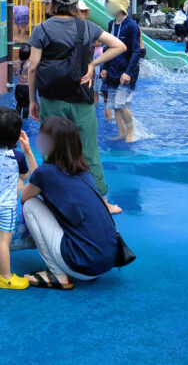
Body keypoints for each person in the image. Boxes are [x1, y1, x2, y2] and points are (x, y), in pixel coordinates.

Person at [26, 0, 126, 213]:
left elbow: (32, 68)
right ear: (74, 2)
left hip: (51, 99)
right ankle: (103, 202)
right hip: (81, 98)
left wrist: (33, 100)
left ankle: (52, 200)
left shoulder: (42, 29)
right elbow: (119, 46)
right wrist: (93, 64)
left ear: (52, 0)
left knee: (51, 150)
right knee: (89, 149)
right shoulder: (86, 26)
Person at [18, 116, 119, 290]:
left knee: (30, 206)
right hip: (105, 262)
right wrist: (28, 152)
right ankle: (69, 267)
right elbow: (40, 179)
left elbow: (25, 196)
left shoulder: (48, 173)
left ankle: (57, 274)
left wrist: (18, 178)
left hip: (82, 264)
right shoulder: (83, 172)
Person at [0, 108, 35, 290]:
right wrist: (27, 152)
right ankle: (5, 277)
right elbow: (26, 177)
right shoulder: (16, 157)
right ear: (18, 135)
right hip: (6, 207)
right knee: (3, 241)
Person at [101, 0, 141, 142]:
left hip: (126, 71)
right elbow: (109, 47)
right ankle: (121, 132)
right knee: (113, 104)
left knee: (121, 103)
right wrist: (105, 66)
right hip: (113, 69)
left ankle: (131, 133)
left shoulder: (131, 25)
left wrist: (128, 72)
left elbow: (136, 50)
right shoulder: (111, 24)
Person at [12, 44, 31, 119]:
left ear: (19, 54)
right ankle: (25, 120)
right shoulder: (29, 64)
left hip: (18, 87)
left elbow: (14, 73)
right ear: (29, 55)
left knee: (18, 105)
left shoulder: (14, 63)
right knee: (26, 106)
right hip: (27, 88)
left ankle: (17, 120)